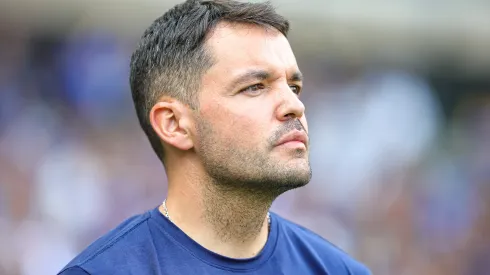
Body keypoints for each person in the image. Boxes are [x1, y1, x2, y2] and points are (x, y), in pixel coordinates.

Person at [58, 0, 372, 274]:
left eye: (293, 87)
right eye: (255, 87)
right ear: (174, 124)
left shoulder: (339, 270)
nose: (295, 105)